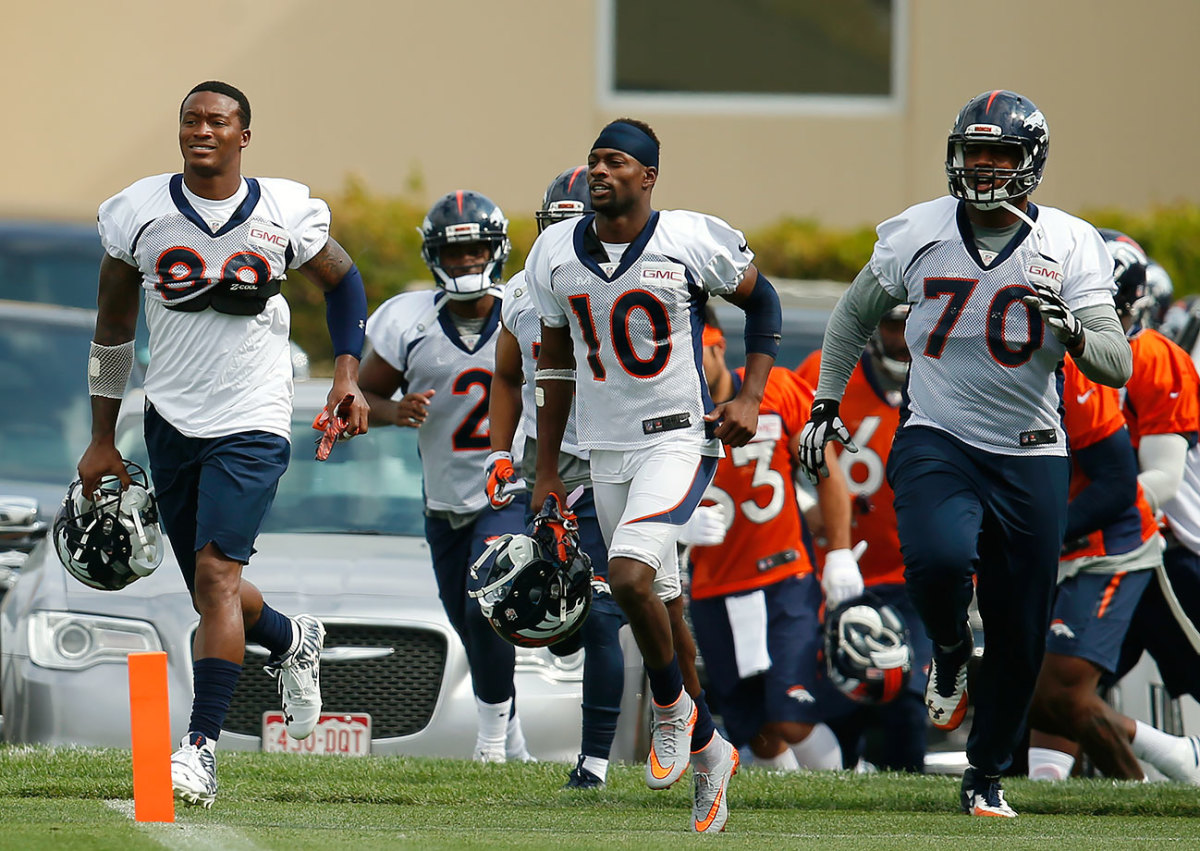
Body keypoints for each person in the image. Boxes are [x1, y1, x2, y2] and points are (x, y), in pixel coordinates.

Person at [798, 90, 1132, 817]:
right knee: (942, 558)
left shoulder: (1070, 243)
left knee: (1018, 631)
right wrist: (826, 398)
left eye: (999, 154)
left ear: (1029, 161)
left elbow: (1117, 362)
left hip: (1032, 450)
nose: (982, 167)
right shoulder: (918, 228)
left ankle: (985, 773)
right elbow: (853, 314)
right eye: (973, 151)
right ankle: (949, 647)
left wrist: (1073, 330)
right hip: (938, 434)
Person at [80, 81, 370, 808]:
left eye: (218, 121)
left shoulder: (283, 210)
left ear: (245, 135)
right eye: (190, 120)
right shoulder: (138, 210)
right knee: (217, 591)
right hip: (171, 415)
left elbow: (344, 281)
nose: (201, 130)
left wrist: (345, 371)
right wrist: (99, 439)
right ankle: (293, 638)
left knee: (216, 579)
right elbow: (113, 326)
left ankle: (199, 750)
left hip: (254, 412)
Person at [525, 118, 783, 833]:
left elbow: (763, 302)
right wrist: (548, 469)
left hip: (677, 441)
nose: (599, 172)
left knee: (631, 577)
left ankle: (671, 711)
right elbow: (552, 363)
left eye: (614, 161)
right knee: (660, 607)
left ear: (648, 176)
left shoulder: (690, 239)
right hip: (606, 452)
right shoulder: (553, 251)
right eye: (593, 161)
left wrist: (751, 392)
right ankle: (710, 752)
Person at [357, 189, 533, 763]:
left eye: (476, 251)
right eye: (455, 254)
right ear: (435, 256)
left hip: (504, 487)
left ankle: (489, 746)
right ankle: (512, 734)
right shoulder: (408, 320)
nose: (465, 264)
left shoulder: (526, 314)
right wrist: (395, 410)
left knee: (488, 602)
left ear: (497, 251)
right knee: (467, 620)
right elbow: (361, 398)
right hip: (442, 500)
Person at [486, 165, 627, 788]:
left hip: (613, 455)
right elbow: (507, 374)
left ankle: (594, 761)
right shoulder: (521, 293)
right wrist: (498, 453)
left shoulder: (624, 280)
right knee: (547, 606)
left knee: (601, 611)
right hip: (548, 462)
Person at [686, 319, 855, 771]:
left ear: (718, 348)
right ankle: (788, 815)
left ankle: (838, 790)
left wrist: (838, 551)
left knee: (791, 714)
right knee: (755, 731)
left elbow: (827, 472)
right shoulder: (669, 416)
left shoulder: (776, 391)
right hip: (713, 585)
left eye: (695, 353)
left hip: (784, 576)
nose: (690, 369)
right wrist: (674, 527)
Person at [1025, 354, 1200, 783]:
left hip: (1139, 544)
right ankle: (1046, 786)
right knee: (1039, 688)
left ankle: (1156, 780)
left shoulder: (1143, 360)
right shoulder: (999, 366)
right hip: (1072, 543)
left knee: (1059, 688)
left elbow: (1151, 479)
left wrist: (1045, 530)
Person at [796, 305, 934, 773]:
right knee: (837, 707)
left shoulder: (955, 378)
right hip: (835, 574)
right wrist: (803, 502)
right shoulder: (824, 373)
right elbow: (779, 450)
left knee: (906, 702)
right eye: (894, 323)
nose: (904, 335)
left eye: (913, 320)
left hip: (911, 575)